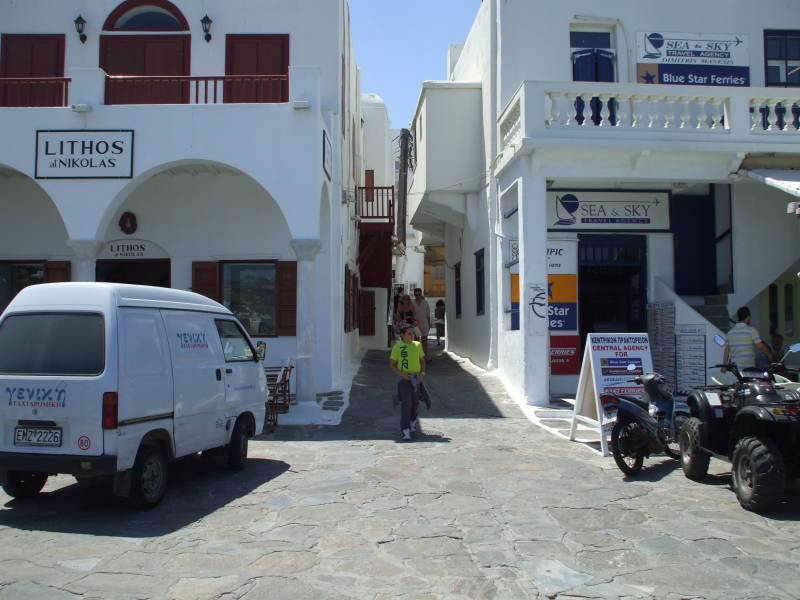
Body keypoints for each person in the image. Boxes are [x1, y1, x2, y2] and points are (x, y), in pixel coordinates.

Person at [389, 322, 426, 440]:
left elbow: (422, 361)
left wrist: (422, 374)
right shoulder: (397, 347)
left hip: (416, 379)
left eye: (413, 333)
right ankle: (405, 429)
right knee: (406, 403)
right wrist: (402, 375)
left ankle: (412, 421)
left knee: (415, 403)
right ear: (403, 335)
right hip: (404, 380)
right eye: (409, 334)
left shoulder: (417, 345)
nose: (412, 336)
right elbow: (392, 365)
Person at [723, 306, 774, 371]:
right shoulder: (751, 330)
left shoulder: (730, 332)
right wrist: (770, 356)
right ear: (748, 317)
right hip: (748, 368)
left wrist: (724, 365)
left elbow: (727, 350)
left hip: (735, 369)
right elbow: (761, 347)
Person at [411, 288, 431, 357]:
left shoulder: (425, 303)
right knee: (416, 342)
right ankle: (417, 357)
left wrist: (429, 324)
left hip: (425, 325)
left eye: (419, 294)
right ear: (414, 295)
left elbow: (428, 315)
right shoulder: (412, 303)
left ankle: (424, 357)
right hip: (416, 325)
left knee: (424, 342)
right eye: (416, 295)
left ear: (421, 294)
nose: (418, 296)